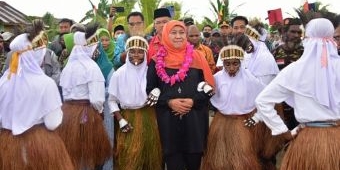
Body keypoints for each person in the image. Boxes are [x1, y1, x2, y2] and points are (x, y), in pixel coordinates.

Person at [249, 18, 340, 169]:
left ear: (307, 39)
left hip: (307, 141)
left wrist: (282, 131)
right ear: (331, 39)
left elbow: (262, 101)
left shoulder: (294, 69)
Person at [0, 21, 74, 170]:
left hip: (8, 146)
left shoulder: (3, 81)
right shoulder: (45, 83)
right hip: (40, 146)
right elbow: (52, 123)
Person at [146, 20, 215, 170]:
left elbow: (209, 89)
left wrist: (193, 101)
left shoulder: (198, 57)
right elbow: (150, 89)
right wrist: (169, 102)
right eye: (173, 33)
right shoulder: (155, 60)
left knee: (194, 164)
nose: (178, 36)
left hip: (194, 123)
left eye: (181, 33)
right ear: (165, 35)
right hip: (168, 123)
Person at [201, 45, 265, 170]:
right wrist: (203, 86)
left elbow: (265, 96)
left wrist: (258, 117)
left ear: (240, 63)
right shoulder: (217, 78)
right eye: (227, 64)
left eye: (235, 64)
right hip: (220, 123)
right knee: (218, 157)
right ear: (223, 63)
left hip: (240, 124)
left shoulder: (250, 80)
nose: (231, 68)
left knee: (242, 157)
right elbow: (203, 87)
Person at [58, 24, 111, 170]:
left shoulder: (68, 67)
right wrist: (98, 111)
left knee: (73, 155)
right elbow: (97, 100)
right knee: (91, 157)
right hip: (86, 115)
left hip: (67, 116)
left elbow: (64, 94)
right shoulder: (92, 67)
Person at [108, 36, 162, 170]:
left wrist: (157, 90)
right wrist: (120, 120)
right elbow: (112, 100)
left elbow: (161, 88)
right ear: (127, 53)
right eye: (132, 51)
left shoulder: (151, 72)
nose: (136, 55)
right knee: (129, 155)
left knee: (150, 156)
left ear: (145, 53)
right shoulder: (119, 74)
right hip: (127, 119)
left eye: (140, 51)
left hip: (149, 116)